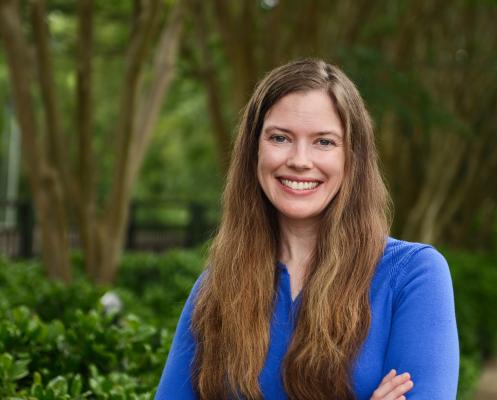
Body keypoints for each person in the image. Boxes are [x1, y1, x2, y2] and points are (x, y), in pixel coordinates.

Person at [155, 59, 459, 399]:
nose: (300, 160)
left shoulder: (413, 276)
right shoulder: (217, 288)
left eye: (324, 142)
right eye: (280, 137)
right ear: (253, 150)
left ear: (352, 157)